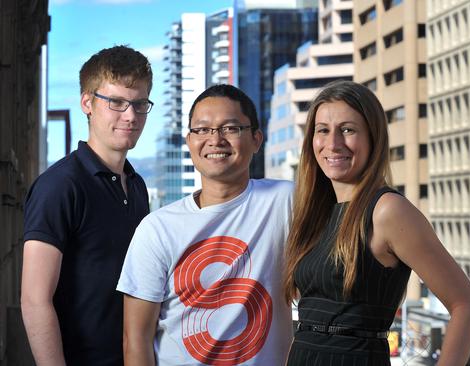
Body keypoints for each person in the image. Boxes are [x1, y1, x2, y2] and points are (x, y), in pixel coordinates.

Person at [283, 80, 470, 366]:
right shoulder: (315, 213)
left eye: (348, 130)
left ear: (373, 138)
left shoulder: (388, 211)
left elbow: (467, 306)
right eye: (323, 131)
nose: (333, 143)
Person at [117, 84, 293, 366]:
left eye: (231, 128)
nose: (216, 139)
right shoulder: (157, 229)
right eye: (202, 129)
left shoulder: (286, 200)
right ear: (189, 140)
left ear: (257, 139)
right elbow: (136, 340)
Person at [21, 45, 153, 366]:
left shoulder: (137, 186)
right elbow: (34, 300)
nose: (130, 116)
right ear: (87, 103)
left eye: (139, 104)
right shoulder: (60, 186)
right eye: (117, 102)